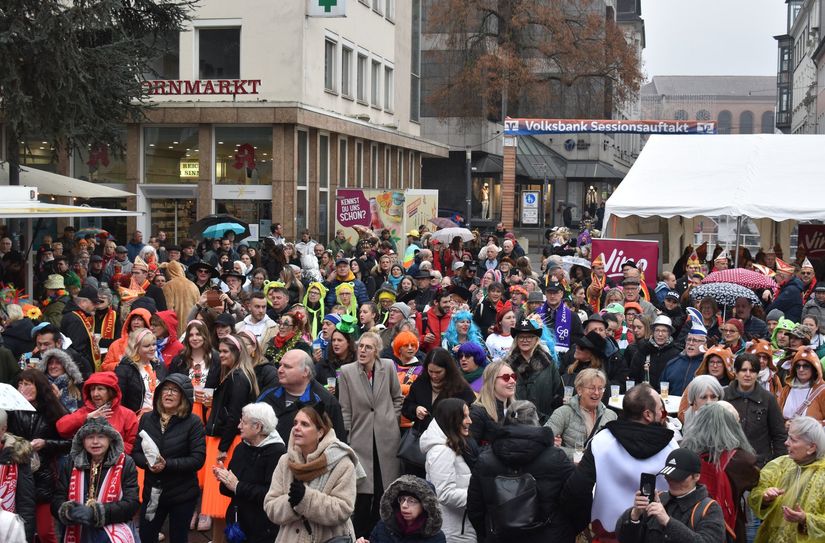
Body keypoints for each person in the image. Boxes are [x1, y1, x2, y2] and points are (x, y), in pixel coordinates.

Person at [564, 383, 680, 539]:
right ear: (648, 414)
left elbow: (577, 489)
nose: (663, 413)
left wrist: (581, 524)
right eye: (661, 409)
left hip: (608, 529)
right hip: (657, 530)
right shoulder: (671, 446)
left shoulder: (602, 441)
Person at [467, 400, 576, 542]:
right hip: (548, 535)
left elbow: (475, 508)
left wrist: (488, 533)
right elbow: (575, 498)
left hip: (500, 536)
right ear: (536, 420)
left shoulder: (485, 460)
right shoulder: (557, 458)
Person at [263, 405, 363, 543]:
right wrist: (292, 503)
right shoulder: (285, 462)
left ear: (320, 432)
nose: (296, 428)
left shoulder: (342, 463)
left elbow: (343, 509)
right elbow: (270, 507)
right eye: (295, 423)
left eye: (304, 424)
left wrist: (306, 500)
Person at [339, 331, 404, 537]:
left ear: (376, 351)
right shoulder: (347, 371)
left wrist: (391, 419)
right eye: (361, 346)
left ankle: (380, 534)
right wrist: (348, 437)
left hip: (387, 437)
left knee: (385, 489)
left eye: (368, 347)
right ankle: (360, 535)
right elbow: (345, 408)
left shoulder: (388, 366)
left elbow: (397, 397)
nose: (363, 350)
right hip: (360, 437)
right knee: (362, 492)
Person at [132, 374, 206, 543]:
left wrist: (167, 465)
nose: (169, 393)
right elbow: (136, 452)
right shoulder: (147, 418)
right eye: (165, 389)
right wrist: (147, 463)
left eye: (174, 390)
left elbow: (197, 459)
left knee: (178, 538)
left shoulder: (193, 423)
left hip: (182, 494)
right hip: (153, 493)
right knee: (146, 536)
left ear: (184, 396)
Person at [201, 335, 259, 542]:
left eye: (226, 351)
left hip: (227, 443)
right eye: (220, 351)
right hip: (222, 440)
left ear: (236, 353)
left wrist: (223, 448)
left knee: (221, 499)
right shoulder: (232, 375)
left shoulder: (238, 378)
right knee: (218, 501)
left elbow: (234, 416)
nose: (221, 355)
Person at [680, 402, 760, 542]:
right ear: (732, 426)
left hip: (687, 524)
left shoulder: (684, 453)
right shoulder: (741, 460)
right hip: (727, 528)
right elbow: (755, 481)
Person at [52, 417, 140, 543]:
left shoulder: (126, 462)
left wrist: (96, 513)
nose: (95, 442)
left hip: (113, 531)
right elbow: (58, 497)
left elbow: (131, 503)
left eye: (101, 437)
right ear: (82, 441)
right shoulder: (71, 463)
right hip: (77, 529)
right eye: (89, 437)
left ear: (110, 439)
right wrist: (68, 511)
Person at [615, 448, 726, 542]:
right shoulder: (658, 498)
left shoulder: (709, 508)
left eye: (679, 478)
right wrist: (634, 516)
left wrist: (668, 522)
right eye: (668, 476)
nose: (672, 481)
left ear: (696, 476)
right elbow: (625, 539)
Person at [214, 403, 285, 543]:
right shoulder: (241, 448)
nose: (239, 426)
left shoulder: (277, 453)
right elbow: (229, 490)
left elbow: (271, 493)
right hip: (237, 524)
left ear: (257, 427)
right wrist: (224, 478)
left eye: (244, 422)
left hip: (262, 530)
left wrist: (237, 486)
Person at [749, 416, 825, 542]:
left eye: (793, 440)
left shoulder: (822, 474)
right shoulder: (780, 465)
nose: (786, 442)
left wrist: (805, 519)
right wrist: (765, 497)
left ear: (811, 447)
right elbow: (755, 494)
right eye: (788, 437)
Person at [257, 349, 347, 443]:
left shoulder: (325, 401)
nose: (280, 370)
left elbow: (338, 443)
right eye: (280, 365)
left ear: (305, 372)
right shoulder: (268, 393)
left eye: (287, 367)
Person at [419, 398, 476, 542]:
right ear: (452, 419)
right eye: (464, 416)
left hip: (462, 525)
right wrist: (478, 496)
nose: (470, 421)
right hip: (454, 531)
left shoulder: (454, 445)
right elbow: (444, 494)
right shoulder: (442, 451)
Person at [723, 353, 787, 467]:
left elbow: (779, 435)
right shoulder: (723, 396)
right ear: (736, 372)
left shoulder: (768, 399)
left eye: (752, 371)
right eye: (744, 370)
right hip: (727, 463)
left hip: (759, 464)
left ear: (757, 374)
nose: (748, 374)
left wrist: (778, 465)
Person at [55, 371, 139, 454]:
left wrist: (106, 446)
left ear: (111, 391)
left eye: (100, 389)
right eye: (92, 389)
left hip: (117, 460)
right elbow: (61, 428)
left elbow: (133, 446)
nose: (95, 394)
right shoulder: (85, 412)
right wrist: (87, 417)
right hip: (85, 460)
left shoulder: (127, 415)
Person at [547, 368, 617, 461]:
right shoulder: (563, 413)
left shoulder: (611, 415)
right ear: (579, 390)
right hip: (574, 468)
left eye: (600, 388)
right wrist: (576, 456)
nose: (597, 393)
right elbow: (544, 443)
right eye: (592, 388)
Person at [402, 348, 476, 435]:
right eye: (430, 371)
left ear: (447, 369)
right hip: (421, 435)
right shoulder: (421, 382)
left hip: (449, 436)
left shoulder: (460, 387)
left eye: (438, 372)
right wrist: (415, 409)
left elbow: (472, 413)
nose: (434, 376)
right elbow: (407, 405)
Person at [505, 318, 563, 423]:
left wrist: (552, 419)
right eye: (521, 337)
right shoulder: (507, 365)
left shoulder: (548, 363)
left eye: (529, 336)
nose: (525, 340)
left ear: (536, 339)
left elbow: (558, 393)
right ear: (516, 340)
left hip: (544, 421)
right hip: (516, 422)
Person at [359, 474, 446, 543]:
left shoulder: (436, 537)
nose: (404, 505)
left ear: (425, 506)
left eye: (411, 501)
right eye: (402, 499)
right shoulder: (384, 526)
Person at [469, 361, 516, 445]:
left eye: (513, 376)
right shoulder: (477, 413)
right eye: (506, 377)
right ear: (492, 381)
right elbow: (471, 448)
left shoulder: (519, 409)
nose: (513, 381)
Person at [660, 316, 708, 396]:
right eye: (689, 339)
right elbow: (662, 389)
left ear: (704, 344)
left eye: (695, 340)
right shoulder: (673, 363)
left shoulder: (708, 365)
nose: (691, 343)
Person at [777, 347, 825, 422]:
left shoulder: (822, 391)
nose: (801, 369)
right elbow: (776, 415)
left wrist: (808, 426)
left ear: (814, 368)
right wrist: (785, 424)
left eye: (806, 366)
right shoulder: (787, 388)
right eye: (798, 366)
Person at [37, 347, 84, 413]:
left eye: (58, 363)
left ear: (67, 366)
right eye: (50, 363)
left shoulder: (78, 387)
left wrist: (58, 401)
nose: (53, 366)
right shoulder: (40, 386)